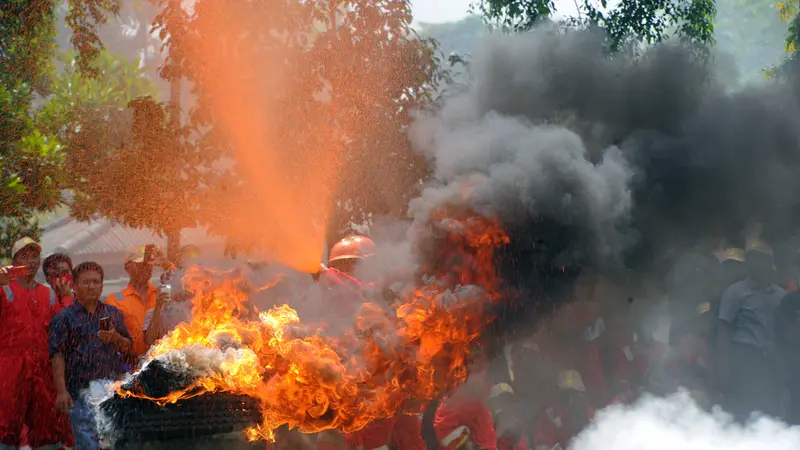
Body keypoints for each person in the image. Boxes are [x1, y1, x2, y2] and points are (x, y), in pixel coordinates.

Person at [50, 262, 132, 450]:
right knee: (87, 443)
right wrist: (61, 392)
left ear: (102, 286)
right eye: (86, 282)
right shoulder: (64, 318)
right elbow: (57, 356)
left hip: (110, 391)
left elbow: (129, 347)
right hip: (79, 391)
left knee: (113, 442)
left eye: (96, 282)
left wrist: (115, 338)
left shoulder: (112, 314)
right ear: (74, 285)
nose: (91, 286)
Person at [0, 237, 68, 450]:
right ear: (14, 261)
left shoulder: (47, 294)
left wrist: (65, 297)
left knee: (43, 431)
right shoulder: (3, 290)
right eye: (24, 256)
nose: (30, 261)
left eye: (34, 256)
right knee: (6, 430)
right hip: (10, 372)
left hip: (41, 371)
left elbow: (61, 336)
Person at [717, 240, 785, 421]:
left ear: (771, 263)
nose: (759, 264)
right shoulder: (735, 292)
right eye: (754, 260)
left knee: (769, 409)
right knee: (743, 407)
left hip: (771, 359)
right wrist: (723, 363)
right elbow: (724, 328)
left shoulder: (780, 295)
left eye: (763, 260)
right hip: (744, 356)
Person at [104, 245, 170, 359]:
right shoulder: (114, 300)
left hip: (163, 361)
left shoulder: (162, 293)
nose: (145, 267)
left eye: (148, 263)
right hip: (130, 366)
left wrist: (166, 264)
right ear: (127, 267)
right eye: (140, 264)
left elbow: (185, 283)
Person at [143, 245, 202, 346]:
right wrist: (158, 307)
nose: (186, 277)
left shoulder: (207, 311)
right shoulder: (155, 313)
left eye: (191, 271)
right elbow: (149, 341)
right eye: (181, 269)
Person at [532, 370, 595, 450]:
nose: (571, 400)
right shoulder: (548, 416)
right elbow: (542, 444)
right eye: (566, 394)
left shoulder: (591, 414)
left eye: (575, 393)